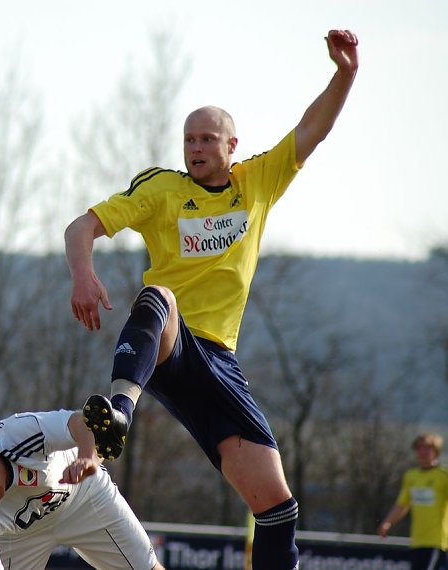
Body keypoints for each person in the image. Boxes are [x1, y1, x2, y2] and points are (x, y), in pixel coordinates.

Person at [64, 29, 359, 570]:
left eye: (206, 139)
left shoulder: (258, 182)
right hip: (169, 345)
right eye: (189, 140)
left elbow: (313, 131)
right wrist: (83, 274)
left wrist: (345, 74)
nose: (195, 149)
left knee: (277, 507)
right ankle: (120, 412)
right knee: (158, 294)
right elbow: (81, 226)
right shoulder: (162, 190)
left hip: (220, 361)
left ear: (231, 146)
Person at [0, 408, 165, 569]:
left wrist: (87, 458)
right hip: (19, 537)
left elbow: (79, 422)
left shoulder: (17, 434)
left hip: (83, 497)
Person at [378, 433, 448, 570]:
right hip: (417, 541)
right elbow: (402, 504)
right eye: (419, 448)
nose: (423, 452)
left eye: (427, 448)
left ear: (436, 451)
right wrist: (387, 522)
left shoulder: (443, 476)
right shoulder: (411, 476)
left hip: (437, 542)